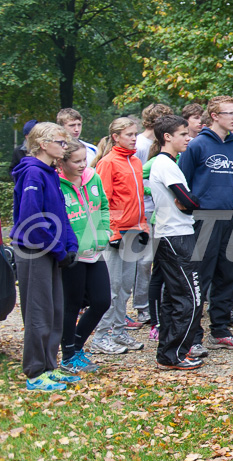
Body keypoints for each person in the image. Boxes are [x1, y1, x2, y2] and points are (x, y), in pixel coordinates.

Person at [11, 122, 81, 391]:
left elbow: (60, 214)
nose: (65, 147)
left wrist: (70, 244)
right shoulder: (32, 173)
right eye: (60, 143)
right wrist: (58, 249)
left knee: (54, 310)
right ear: (43, 144)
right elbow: (32, 220)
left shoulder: (50, 172)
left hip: (52, 250)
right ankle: (35, 372)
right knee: (38, 311)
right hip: (35, 250)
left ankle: (50, 366)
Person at [179, 95, 233, 354]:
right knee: (201, 277)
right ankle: (193, 335)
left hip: (230, 216)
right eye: (229, 113)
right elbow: (183, 182)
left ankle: (220, 330)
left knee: (229, 275)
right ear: (214, 116)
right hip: (203, 218)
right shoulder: (197, 145)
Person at [148, 115, 204, 370]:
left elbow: (187, 201)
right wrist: (189, 202)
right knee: (191, 298)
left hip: (177, 232)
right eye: (183, 134)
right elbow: (190, 201)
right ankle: (176, 353)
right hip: (174, 236)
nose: (188, 138)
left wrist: (188, 202)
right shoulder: (164, 164)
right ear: (167, 137)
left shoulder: (171, 163)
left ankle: (169, 353)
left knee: (175, 297)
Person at [92, 118, 149, 354]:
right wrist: (112, 231)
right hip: (115, 234)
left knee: (126, 286)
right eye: (129, 134)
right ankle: (100, 336)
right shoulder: (108, 163)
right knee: (112, 287)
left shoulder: (135, 161)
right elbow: (102, 200)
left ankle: (118, 332)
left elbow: (139, 199)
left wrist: (143, 226)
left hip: (133, 231)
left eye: (135, 134)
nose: (134, 138)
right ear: (116, 136)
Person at [57, 140, 113, 373]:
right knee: (72, 305)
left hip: (95, 249)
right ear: (61, 162)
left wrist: (104, 233)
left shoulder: (93, 177)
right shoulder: (56, 183)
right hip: (73, 254)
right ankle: (68, 355)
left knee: (102, 300)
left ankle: (77, 347)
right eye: (76, 161)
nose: (83, 165)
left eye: (84, 160)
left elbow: (103, 206)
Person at [134, 103, 174, 326]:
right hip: (146, 206)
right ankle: (142, 306)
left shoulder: (163, 143)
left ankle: (159, 303)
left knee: (160, 260)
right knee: (144, 260)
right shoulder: (140, 144)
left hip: (163, 207)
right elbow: (137, 176)